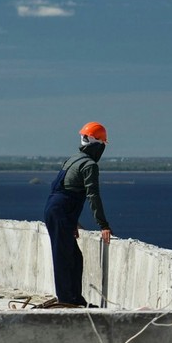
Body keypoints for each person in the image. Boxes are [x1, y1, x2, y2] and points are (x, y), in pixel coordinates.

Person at [43, 121, 113, 307]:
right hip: (60, 212)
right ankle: (67, 300)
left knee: (73, 256)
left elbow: (60, 189)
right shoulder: (89, 165)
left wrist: (72, 221)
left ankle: (74, 298)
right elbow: (93, 195)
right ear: (97, 144)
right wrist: (103, 225)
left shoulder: (73, 159)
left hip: (55, 209)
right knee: (65, 256)